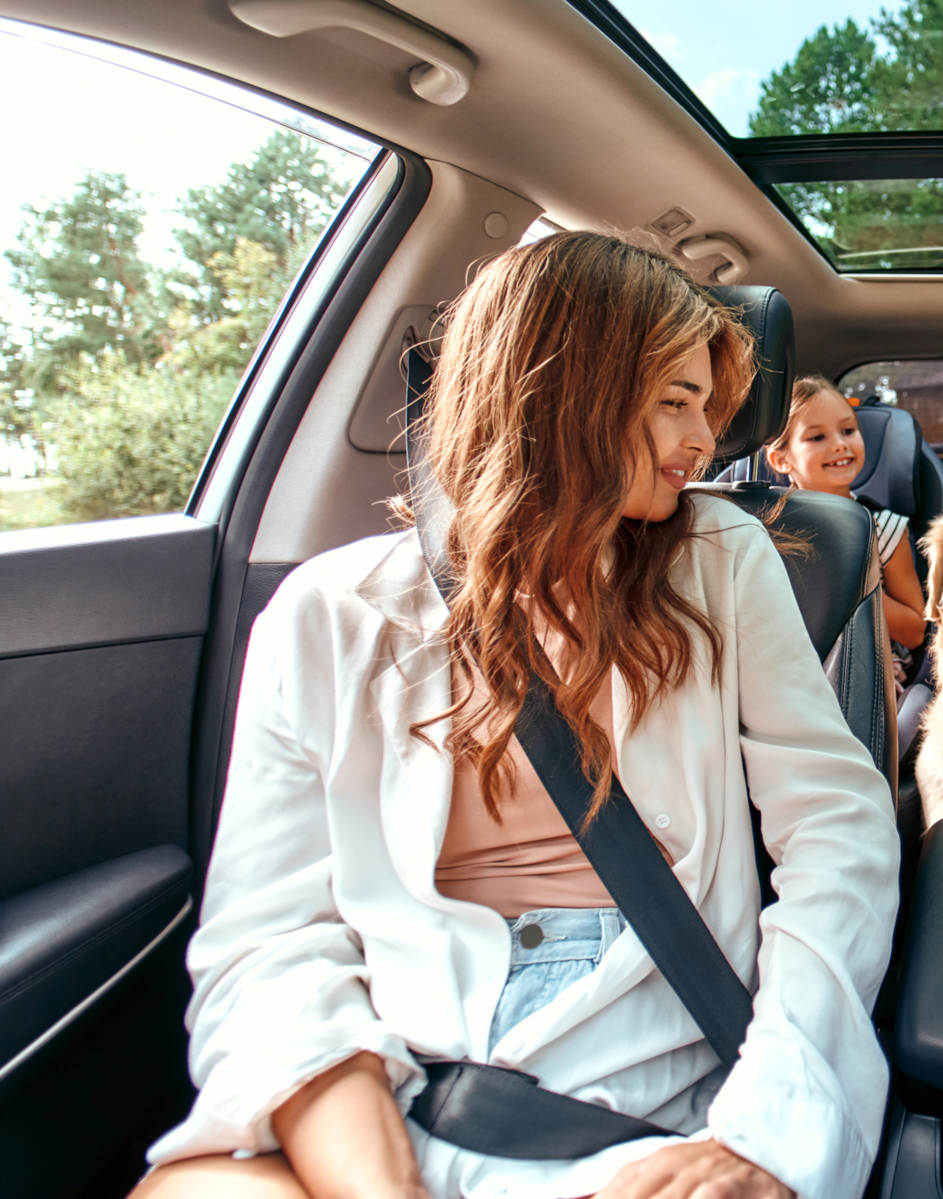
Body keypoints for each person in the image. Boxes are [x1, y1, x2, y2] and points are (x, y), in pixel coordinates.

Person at [134, 232, 900, 1199]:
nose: (705, 443)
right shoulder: (327, 614)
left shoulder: (723, 559)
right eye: (674, 402)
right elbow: (270, 942)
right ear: (555, 391)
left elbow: (838, 829)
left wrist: (764, 1132)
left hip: (642, 1103)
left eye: (706, 407)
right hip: (387, 1081)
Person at [764, 376, 928, 665]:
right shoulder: (765, 530)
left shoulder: (885, 529)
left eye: (848, 430)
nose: (840, 444)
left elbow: (915, 632)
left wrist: (850, 583)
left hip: (870, 668)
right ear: (780, 460)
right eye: (817, 437)